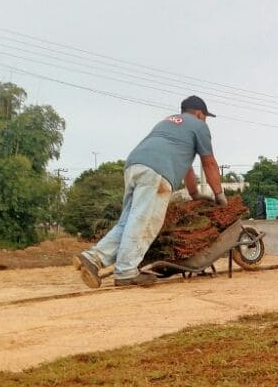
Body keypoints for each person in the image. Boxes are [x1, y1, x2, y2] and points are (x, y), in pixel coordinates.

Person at [75, 96, 227, 288]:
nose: (204, 121)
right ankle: (126, 272)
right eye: (204, 117)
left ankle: (93, 258)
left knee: (129, 221)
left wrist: (195, 194)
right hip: (156, 171)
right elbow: (209, 162)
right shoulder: (199, 126)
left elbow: (186, 167)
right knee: (145, 221)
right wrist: (219, 194)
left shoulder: (168, 123)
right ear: (199, 114)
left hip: (134, 165)